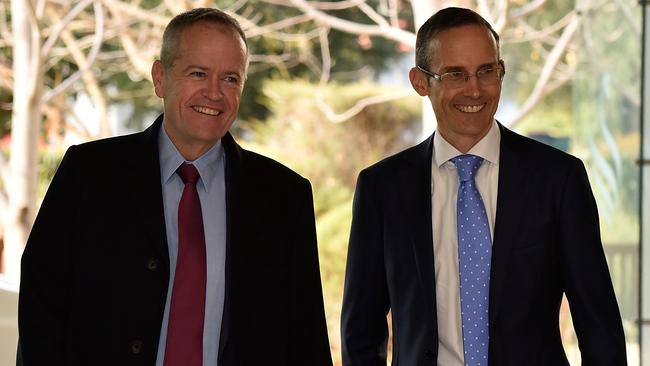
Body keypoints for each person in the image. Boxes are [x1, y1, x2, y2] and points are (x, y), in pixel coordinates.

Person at [18, 8, 332, 366]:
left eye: (230, 78)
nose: (214, 93)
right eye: (198, 73)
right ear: (160, 78)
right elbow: (40, 307)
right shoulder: (88, 174)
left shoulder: (284, 197)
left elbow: (306, 336)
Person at [341, 7, 626, 366]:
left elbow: (599, 326)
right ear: (420, 82)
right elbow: (360, 333)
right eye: (456, 74)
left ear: (500, 72)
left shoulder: (557, 179)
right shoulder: (382, 189)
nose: (474, 89)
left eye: (486, 71)